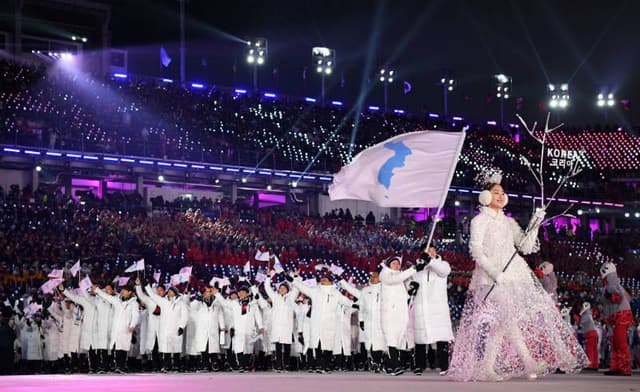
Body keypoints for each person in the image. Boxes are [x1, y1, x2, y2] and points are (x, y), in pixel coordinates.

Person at [448, 176, 587, 382]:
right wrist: (495, 273)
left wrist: (536, 223)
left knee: (504, 322)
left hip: (513, 276)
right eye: (496, 191)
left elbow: (525, 246)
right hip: (490, 279)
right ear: (485, 196)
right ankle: (528, 361)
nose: (500, 195)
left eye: (502, 192)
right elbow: (476, 251)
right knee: (508, 318)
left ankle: (488, 367)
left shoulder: (508, 221)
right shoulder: (480, 220)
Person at [379, 255, 425, 376]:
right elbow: (395, 280)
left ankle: (387, 364)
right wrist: (414, 269)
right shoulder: (385, 274)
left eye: (398, 264)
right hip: (389, 313)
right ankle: (395, 366)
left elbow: (404, 297)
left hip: (400, 314)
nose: (396, 265)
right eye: (393, 263)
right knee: (391, 339)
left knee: (397, 339)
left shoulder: (400, 279)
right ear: (388, 265)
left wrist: (411, 291)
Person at [412, 246, 454, 376]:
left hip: (437, 307)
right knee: (420, 339)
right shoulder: (420, 268)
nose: (430, 252)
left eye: (432, 250)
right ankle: (419, 365)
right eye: (427, 250)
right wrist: (411, 286)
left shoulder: (442, 264)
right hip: (421, 306)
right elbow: (412, 282)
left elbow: (444, 271)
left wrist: (430, 261)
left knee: (441, 337)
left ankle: (443, 365)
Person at [95, 284, 139, 373]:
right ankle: (118, 366)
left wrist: (132, 325)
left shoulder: (134, 303)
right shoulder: (117, 301)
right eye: (122, 290)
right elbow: (107, 297)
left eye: (124, 291)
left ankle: (122, 366)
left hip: (125, 329)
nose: (122, 292)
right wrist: (97, 290)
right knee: (117, 348)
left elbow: (136, 315)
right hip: (116, 329)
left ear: (129, 292)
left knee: (123, 349)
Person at [599, 262, 633, 376]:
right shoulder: (609, 283)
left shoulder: (611, 280)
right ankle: (617, 367)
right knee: (615, 342)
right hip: (615, 315)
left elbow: (617, 297)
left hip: (620, 315)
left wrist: (610, 296)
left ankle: (624, 368)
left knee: (620, 342)